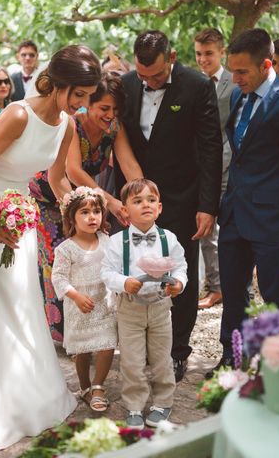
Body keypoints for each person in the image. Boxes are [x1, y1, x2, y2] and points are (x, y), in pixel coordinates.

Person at [0, 44, 101, 450]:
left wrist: (83, 209)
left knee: (24, 300)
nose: (83, 105)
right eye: (79, 95)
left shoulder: (67, 125)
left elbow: (56, 180)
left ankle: (24, 392)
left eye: (88, 97)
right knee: (1, 302)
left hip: (24, 213)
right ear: (59, 84)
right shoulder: (19, 113)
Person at [211, 29, 279, 375]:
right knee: (233, 291)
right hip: (234, 214)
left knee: (273, 296)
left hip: (271, 217)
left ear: (267, 65)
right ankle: (232, 357)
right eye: (232, 71)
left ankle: (274, 365)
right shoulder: (241, 97)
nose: (235, 78)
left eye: (242, 72)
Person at [120, 30, 222, 382]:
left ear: (173, 57)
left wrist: (208, 204)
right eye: (143, 75)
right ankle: (140, 345)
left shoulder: (197, 86)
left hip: (181, 196)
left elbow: (211, 148)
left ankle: (177, 350)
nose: (148, 81)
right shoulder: (127, 84)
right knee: (133, 268)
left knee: (179, 272)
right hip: (133, 197)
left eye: (157, 75)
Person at [30, 72, 143, 341]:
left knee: (89, 261)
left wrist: (141, 196)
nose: (110, 115)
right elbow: (73, 171)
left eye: (115, 109)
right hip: (50, 199)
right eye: (104, 108)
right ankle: (59, 335)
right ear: (88, 105)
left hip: (84, 201)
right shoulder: (71, 125)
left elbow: (129, 165)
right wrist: (111, 203)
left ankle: (89, 329)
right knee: (58, 261)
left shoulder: (113, 128)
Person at [101, 179, 187, 430]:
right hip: (130, 308)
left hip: (161, 305)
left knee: (162, 357)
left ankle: (163, 402)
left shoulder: (168, 239)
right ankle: (134, 404)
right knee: (132, 359)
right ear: (125, 211)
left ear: (159, 208)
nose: (145, 205)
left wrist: (179, 283)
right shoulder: (117, 241)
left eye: (151, 200)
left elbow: (181, 266)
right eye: (137, 201)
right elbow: (106, 272)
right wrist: (123, 282)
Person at [51, 187, 116, 412]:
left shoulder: (106, 240)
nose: (92, 217)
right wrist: (76, 296)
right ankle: (85, 386)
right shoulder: (65, 249)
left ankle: (98, 386)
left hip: (103, 302)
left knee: (108, 344)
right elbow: (58, 278)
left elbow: (115, 265)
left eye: (96, 211)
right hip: (79, 305)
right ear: (72, 218)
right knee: (83, 350)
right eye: (85, 212)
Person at [194, 27, 236, 310]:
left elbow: (235, 130)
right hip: (198, 168)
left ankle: (231, 286)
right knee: (205, 231)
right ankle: (215, 286)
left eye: (208, 53)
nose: (203, 59)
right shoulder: (193, 82)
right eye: (198, 54)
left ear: (222, 52)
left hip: (229, 167)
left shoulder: (235, 83)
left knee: (226, 233)